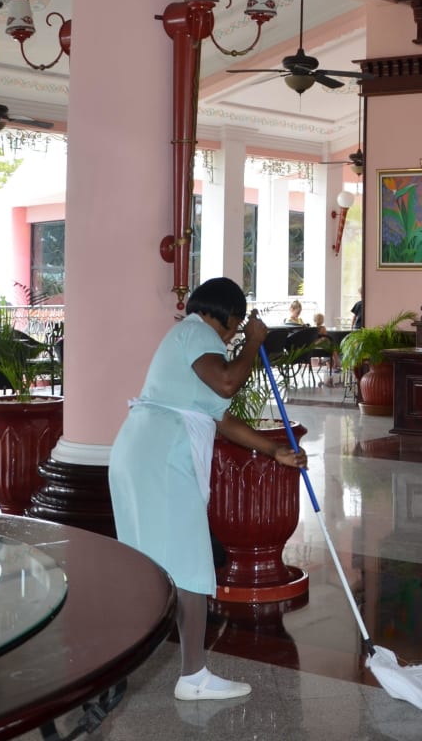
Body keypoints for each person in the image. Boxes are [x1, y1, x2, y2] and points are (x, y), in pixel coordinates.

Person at [108, 277, 307, 701]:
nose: (234, 336)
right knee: (191, 564)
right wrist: (253, 342)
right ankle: (193, 677)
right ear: (229, 316)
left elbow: (222, 418)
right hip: (160, 457)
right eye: (236, 326)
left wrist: (275, 451)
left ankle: (124, 662)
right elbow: (228, 383)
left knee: (152, 561)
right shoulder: (199, 332)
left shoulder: (189, 340)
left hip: (144, 451)